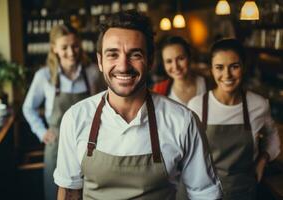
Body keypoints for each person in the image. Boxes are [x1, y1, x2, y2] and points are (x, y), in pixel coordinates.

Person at [54, 10, 222, 200]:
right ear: (100, 61)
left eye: (135, 54)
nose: (123, 66)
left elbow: (205, 194)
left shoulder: (183, 121)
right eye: (113, 54)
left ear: (150, 61)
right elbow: (69, 192)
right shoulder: (76, 118)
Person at [188, 38, 281, 200]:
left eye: (234, 67)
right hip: (204, 192)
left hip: (243, 191)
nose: (227, 75)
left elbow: (272, 135)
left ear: (243, 68)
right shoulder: (196, 106)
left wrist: (263, 159)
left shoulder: (258, 105)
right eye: (219, 68)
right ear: (211, 69)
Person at [22, 24, 101, 200]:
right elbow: (28, 108)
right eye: (64, 47)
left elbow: (106, 104)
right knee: (56, 194)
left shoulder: (93, 72)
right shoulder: (44, 76)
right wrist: (42, 132)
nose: (71, 52)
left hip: (90, 145)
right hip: (56, 146)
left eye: (75, 46)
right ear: (54, 48)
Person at [152, 36, 207, 105]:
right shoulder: (159, 91)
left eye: (180, 58)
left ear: (189, 57)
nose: (175, 66)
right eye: (169, 61)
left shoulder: (208, 83)